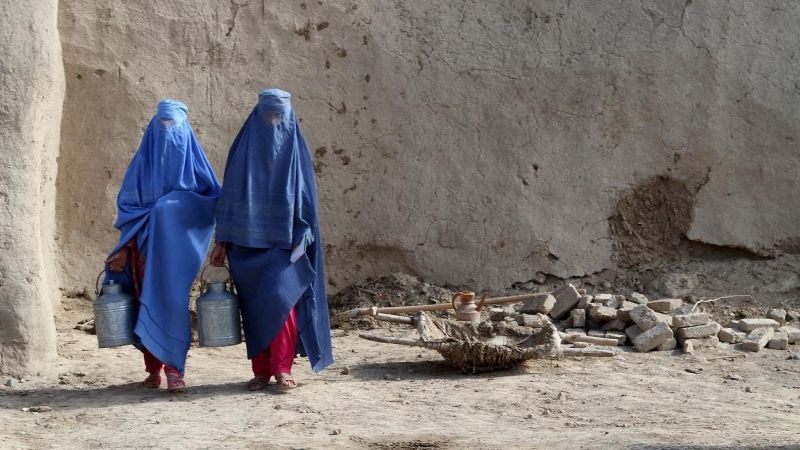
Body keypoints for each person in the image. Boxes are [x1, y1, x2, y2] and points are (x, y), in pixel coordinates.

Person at [210, 88, 333, 391]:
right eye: (268, 115)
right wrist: (222, 241)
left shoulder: (296, 151)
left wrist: (304, 236)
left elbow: (306, 200)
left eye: (280, 116)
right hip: (244, 246)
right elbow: (229, 199)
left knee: (282, 302)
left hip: (285, 245)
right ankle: (261, 371)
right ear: (257, 116)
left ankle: (282, 367)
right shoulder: (242, 151)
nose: (274, 122)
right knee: (254, 310)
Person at [104, 99, 221, 391]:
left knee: (171, 305)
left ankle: (175, 370)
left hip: (177, 255)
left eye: (173, 126)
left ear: (185, 131)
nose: (167, 131)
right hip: (141, 252)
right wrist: (125, 247)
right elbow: (130, 211)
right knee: (145, 303)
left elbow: (209, 205)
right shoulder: (140, 169)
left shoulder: (197, 171)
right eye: (161, 125)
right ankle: (153, 370)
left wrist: (168, 207)